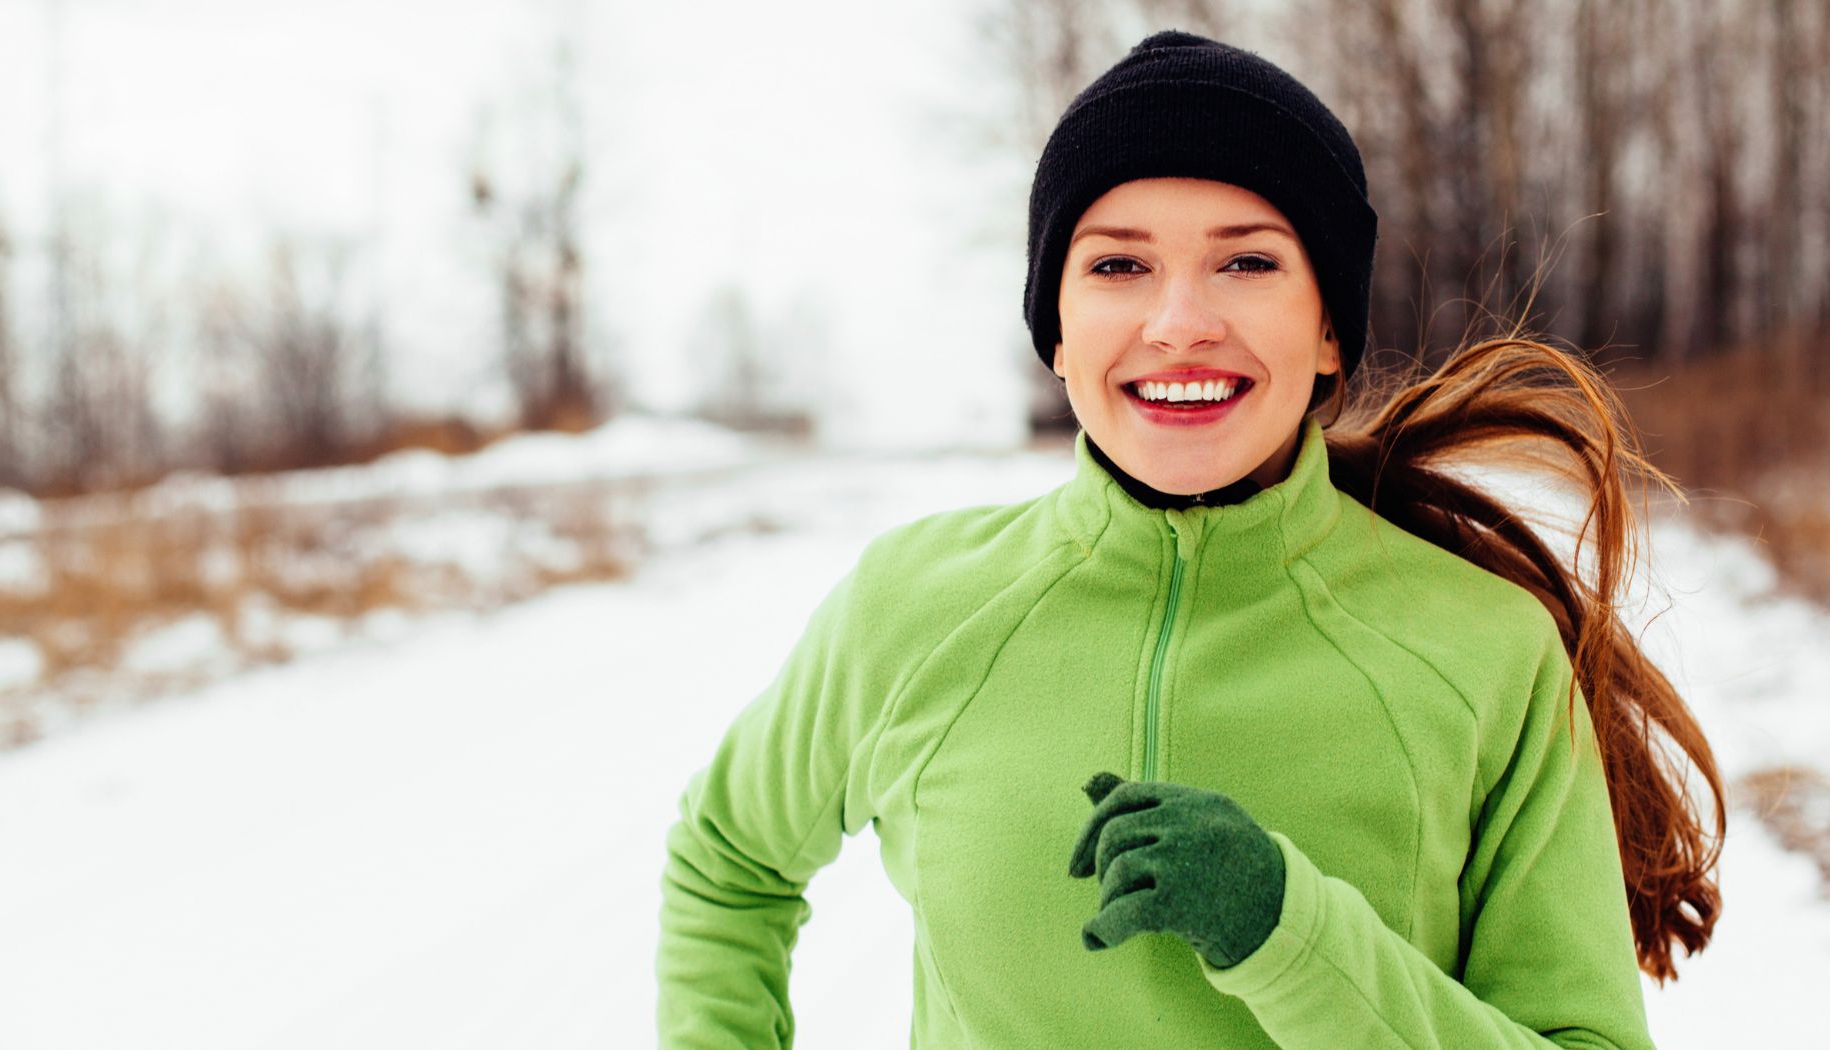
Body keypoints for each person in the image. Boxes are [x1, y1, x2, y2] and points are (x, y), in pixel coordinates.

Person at [657, 28, 1724, 1049]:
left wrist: (1288, 932)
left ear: (1326, 330)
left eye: (1247, 264)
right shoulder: (915, 608)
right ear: (1057, 332)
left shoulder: (1486, 653)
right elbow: (727, 863)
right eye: (1118, 267)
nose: (1180, 321)